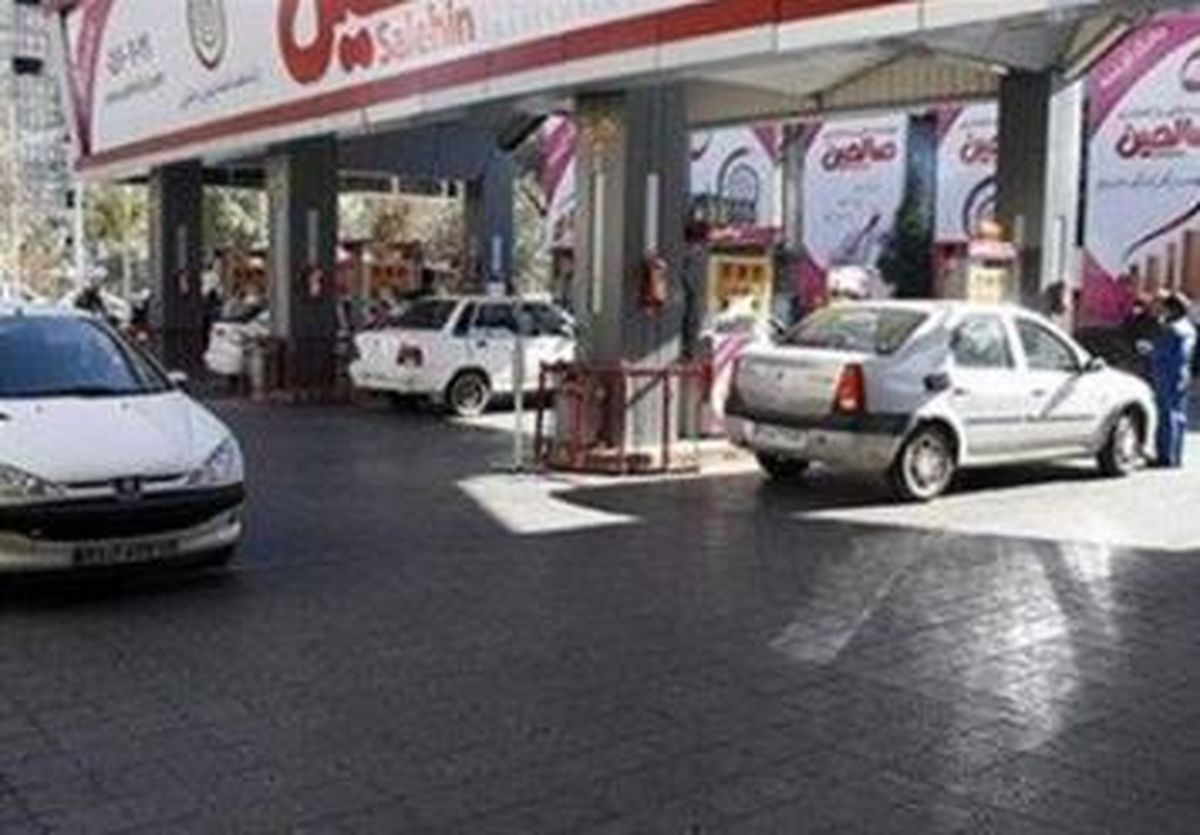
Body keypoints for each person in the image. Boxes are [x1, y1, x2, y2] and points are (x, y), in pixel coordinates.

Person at [1148, 292, 1197, 469]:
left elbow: (1161, 353)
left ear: (1172, 309)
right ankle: (1176, 455)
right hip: (1182, 374)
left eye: (1165, 308)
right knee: (1179, 415)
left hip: (1166, 374)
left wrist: (1150, 350)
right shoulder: (1189, 328)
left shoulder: (1171, 329)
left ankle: (1165, 456)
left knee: (1166, 415)